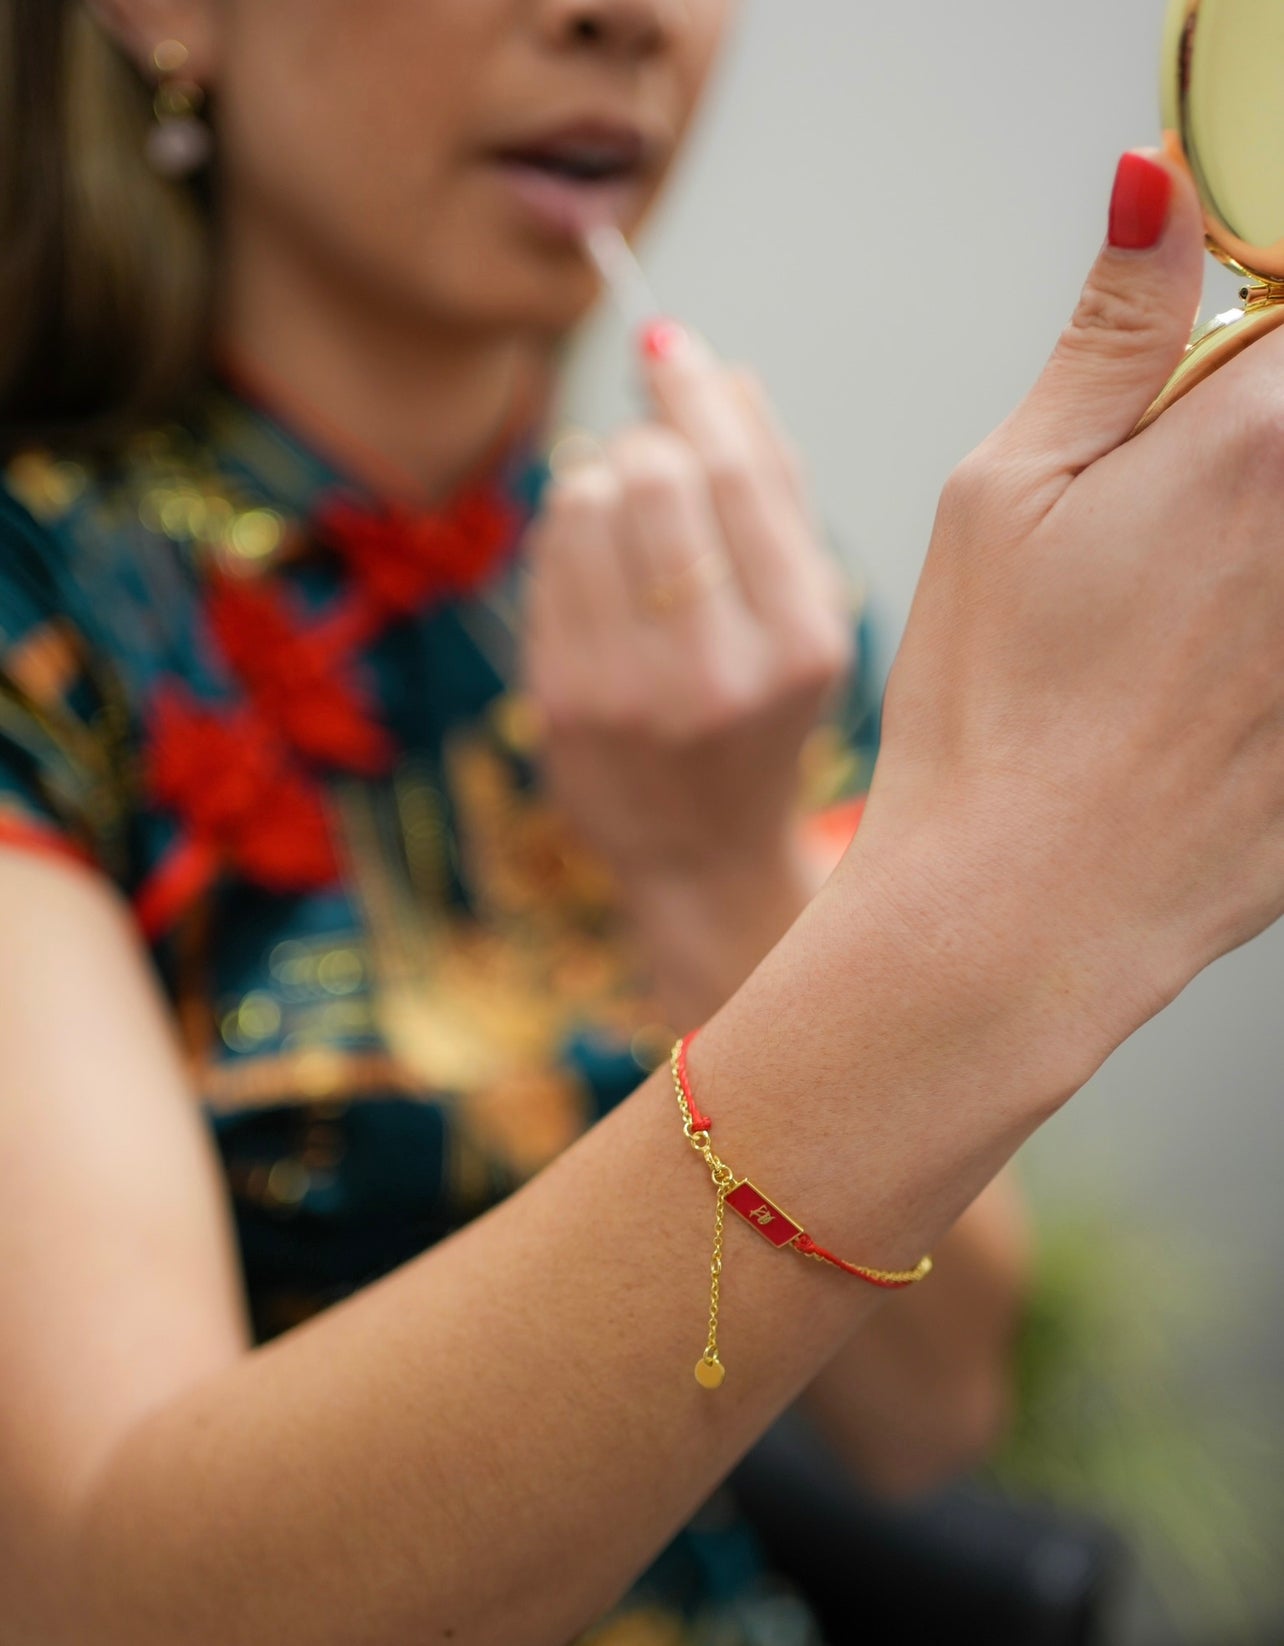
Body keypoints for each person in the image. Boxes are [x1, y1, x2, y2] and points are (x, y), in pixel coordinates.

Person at [1, 4, 1281, 1644]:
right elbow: (109, 1595)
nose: (622, 17)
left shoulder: (727, 607)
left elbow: (931, 1409)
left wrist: (725, 873)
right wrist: (1008, 900)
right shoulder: (48, 630)